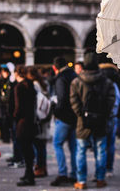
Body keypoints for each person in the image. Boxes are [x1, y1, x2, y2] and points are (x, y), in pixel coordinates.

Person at [70, 52, 115, 189]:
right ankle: (100, 179)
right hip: (101, 121)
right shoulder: (106, 81)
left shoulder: (77, 81)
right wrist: (104, 114)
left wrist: (81, 114)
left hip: (83, 123)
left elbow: (74, 101)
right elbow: (111, 100)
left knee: (81, 151)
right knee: (101, 150)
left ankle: (81, 181)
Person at [51, 56, 78, 186]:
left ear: (55, 67)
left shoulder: (61, 78)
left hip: (64, 117)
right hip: (75, 116)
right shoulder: (74, 75)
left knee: (57, 143)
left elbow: (61, 99)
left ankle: (62, 173)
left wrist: (56, 112)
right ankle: (74, 174)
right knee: (73, 147)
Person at [13, 65, 37, 186]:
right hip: (31, 120)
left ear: (17, 74)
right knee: (29, 149)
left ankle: (29, 176)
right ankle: (29, 174)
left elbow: (18, 106)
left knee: (25, 149)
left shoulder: (19, 87)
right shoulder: (30, 84)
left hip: (23, 122)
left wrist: (14, 117)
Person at [27, 66, 51, 177]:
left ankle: (39, 167)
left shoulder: (35, 85)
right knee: (42, 145)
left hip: (38, 117)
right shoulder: (44, 83)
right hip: (44, 116)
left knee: (38, 145)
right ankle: (42, 167)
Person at [98, 61, 120, 177]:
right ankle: (108, 169)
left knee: (102, 145)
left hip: (105, 117)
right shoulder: (114, 85)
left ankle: (102, 170)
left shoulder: (102, 85)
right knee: (110, 144)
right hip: (112, 117)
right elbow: (118, 102)